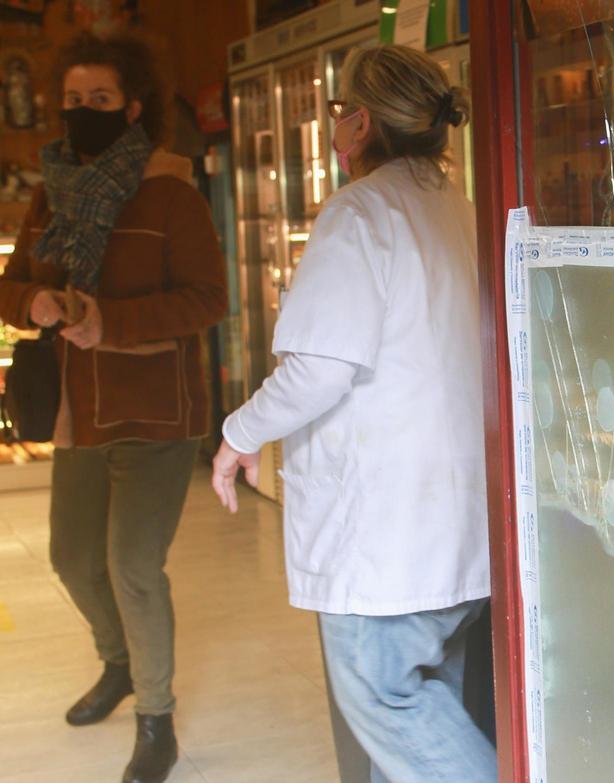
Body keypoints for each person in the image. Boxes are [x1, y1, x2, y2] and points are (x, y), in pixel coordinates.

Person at [211, 43, 494, 782]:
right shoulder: (458, 209)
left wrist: (239, 432)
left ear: (359, 122)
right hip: (457, 518)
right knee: (434, 698)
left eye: (338, 113)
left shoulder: (359, 212)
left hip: (387, 535)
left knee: (387, 700)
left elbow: (318, 369)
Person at [0, 31, 226, 783]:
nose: (82, 113)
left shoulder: (172, 193)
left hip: (158, 411)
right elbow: (9, 285)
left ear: (133, 108)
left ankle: (155, 717)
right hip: (78, 413)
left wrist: (112, 322)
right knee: (72, 557)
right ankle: (120, 661)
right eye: (71, 101)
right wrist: (29, 297)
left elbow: (208, 300)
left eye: (99, 100)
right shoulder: (50, 191)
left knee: (131, 564)